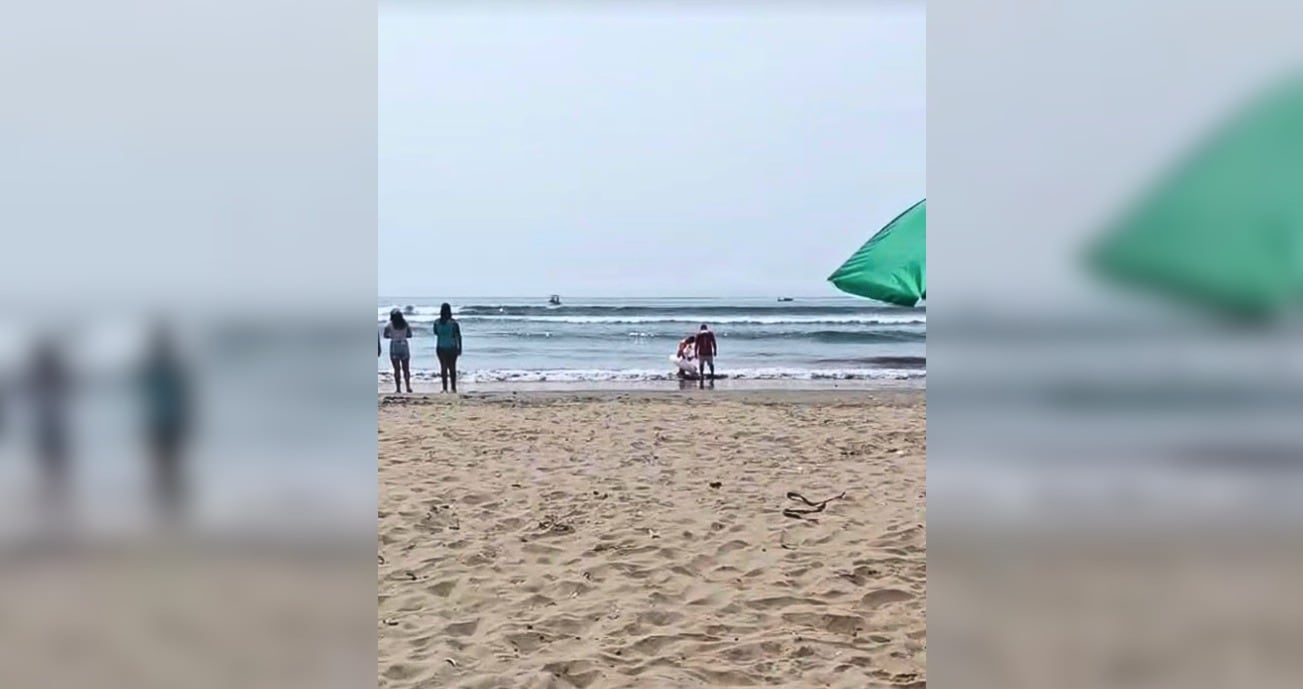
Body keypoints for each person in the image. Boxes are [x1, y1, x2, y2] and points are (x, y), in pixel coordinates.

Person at [139, 322, 191, 522]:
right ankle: (169, 503)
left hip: (164, 420)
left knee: (165, 463)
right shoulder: (166, 368)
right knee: (167, 463)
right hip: (165, 420)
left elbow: (183, 397)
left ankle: (167, 503)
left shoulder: (158, 369)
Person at [432, 303, 462, 393]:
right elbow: (458, 336)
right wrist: (460, 347)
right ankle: (453, 387)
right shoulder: (454, 323)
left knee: (443, 368)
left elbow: (436, 333)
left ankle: (444, 388)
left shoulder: (437, 322)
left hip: (441, 347)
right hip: (452, 347)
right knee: (452, 368)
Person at [383, 308, 413, 394]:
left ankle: (398, 388)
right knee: (406, 368)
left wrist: (392, 336)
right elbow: (410, 335)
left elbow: (385, 335)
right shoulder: (405, 324)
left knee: (396, 369)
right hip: (404, 345)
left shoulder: (389, 325)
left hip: (394, 346)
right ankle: (408, 386)